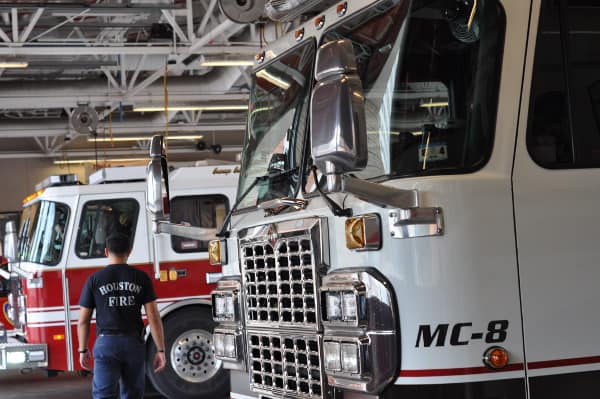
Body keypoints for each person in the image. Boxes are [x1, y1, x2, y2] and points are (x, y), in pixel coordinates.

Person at [77, 232, 166, 399]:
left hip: (106, 344)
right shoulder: (141, 278)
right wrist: (160, 349)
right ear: (130, 251)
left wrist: (82, 349)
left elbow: (83, 321)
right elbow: (153, 316)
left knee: (103, 395)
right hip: (133, 344)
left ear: (106, 252)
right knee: (132, 394)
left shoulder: (94, 279)